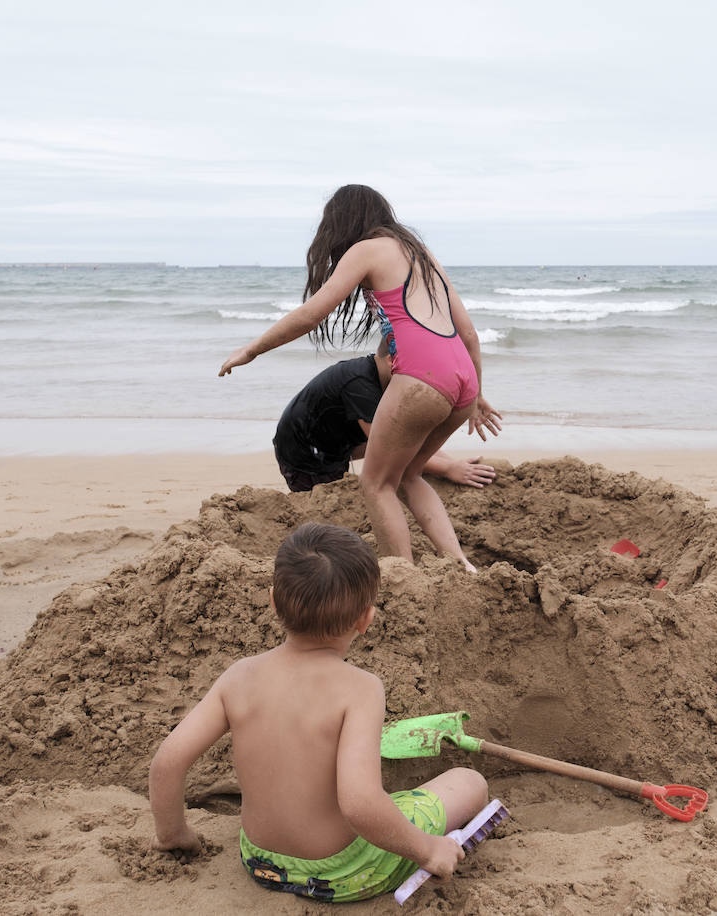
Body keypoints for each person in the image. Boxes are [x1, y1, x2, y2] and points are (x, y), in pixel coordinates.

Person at [149, 522, 490, 902]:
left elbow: (168, 761)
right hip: (345, 872)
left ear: (273, 601)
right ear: (366, 619)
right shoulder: (360, 689)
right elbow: (360, 805)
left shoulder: (238, 677)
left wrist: (173, 834)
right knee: (468, 782)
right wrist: (429, 850)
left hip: (262, 863)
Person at [220, 185, 496, 570]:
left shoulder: (367, 248)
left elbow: (312, 313)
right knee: (410, 475)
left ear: (343, 222)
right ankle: (462, 565)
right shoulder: (422, 254)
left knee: (376, 483)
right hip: (461, 378)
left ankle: (402, 577)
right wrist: (477, 393)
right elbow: (468, 333)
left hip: (421, 376)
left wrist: (251, 350)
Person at [274, 340, 500, 493]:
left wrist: (452, 462)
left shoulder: (388, 378)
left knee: (406, 436)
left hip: (338, 438)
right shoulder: (360, 385)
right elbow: (389, 450)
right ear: (393, 360)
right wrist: (448, 470)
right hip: (304, 453)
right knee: (325, 512)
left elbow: (410, 437)